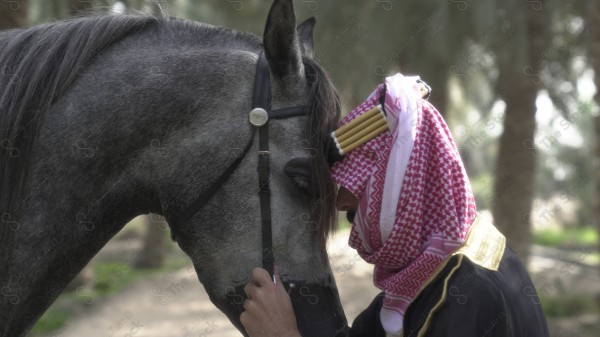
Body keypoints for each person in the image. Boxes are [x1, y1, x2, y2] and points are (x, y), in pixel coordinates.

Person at [240, 73, 549, 337]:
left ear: (401, 189)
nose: (341, 201)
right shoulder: (442, 259)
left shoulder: (464, 295)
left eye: (354, 180)